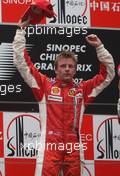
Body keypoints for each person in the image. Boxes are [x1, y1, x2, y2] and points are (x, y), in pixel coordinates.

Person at [13, 18, 115, 175]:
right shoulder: (45, 86)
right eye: (63, 66)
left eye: (71, 66)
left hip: (73, 149)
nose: (67, 69)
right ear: (55, 69)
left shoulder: (83, 90)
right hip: (49, 149)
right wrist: (20, 31)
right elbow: (22, 63)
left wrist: (100, 47)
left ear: (75, 70)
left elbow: (108, 75)